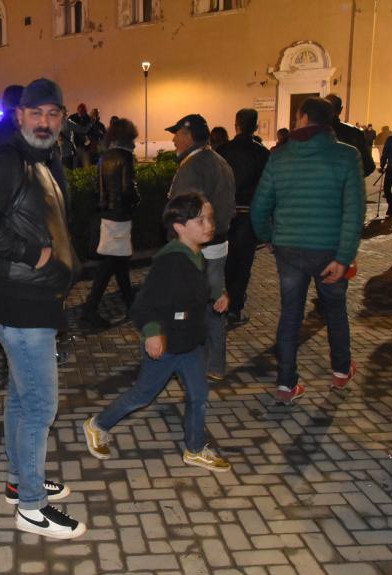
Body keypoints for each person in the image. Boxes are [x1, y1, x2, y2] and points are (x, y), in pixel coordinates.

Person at [0, 78, 85, 539]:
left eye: (54, 114)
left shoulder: (43, 160)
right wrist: (32, 255)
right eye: (36, 113)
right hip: (21, 301)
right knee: (40, 405)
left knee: (21, 397)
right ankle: (32, 508)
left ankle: (21, 483)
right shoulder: (7, 161)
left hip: (34, 298)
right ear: (20, 117)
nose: (45, 121)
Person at [82, 193, 231, 472]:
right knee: (142, 395)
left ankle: (195, 449)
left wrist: (217, 293)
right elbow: (144, 304)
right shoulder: (171, 261)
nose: (208, 224)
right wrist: (152, 332)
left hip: (189, 341)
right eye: (200, 220)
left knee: (198, 395)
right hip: (165, 343)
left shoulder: (193, 254)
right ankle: (97, 424)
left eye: (209, 218)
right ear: (179, 226)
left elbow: (195, 287)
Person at [251, 97, 365, 405]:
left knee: (290, 315)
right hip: (329, 251)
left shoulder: (280, 156)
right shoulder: (346, 156)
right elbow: (354, 211)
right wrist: (344, 257)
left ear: (302, 118)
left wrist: (268, 238)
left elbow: (259, 206)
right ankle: (341, 371)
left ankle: (286, 384)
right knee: (334, 311)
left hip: (288, 249)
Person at [166, 114, 235, 382]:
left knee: (187, 310)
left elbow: (182, 213)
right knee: (215, 308)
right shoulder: (221, 162)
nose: (173, 139)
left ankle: (188, 369)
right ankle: (216, 365)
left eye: (177, 134)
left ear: (189, 135)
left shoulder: (192, 167)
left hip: (196, 251)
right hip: (218, 247)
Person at [81, 118, 140, 329]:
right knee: (110, 265)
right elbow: (128, 190)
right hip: (121, 216)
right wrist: (136, 202)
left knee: (119, 263)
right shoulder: (126, 157)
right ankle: (90, 309)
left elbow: (98, 189)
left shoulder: (104, 157)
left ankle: (131, 303)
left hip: (107, 215)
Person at [216, 109, 270, 326]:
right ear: (255, 126)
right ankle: (235, 308)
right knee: (243, 264)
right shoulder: (262, 153)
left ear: (236, 123)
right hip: (249, 213)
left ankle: (224, 301)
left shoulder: (222, 151)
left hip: (226, 213)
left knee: (226, 261)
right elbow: (267, 189)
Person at [324, 94, 376, 177]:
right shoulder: (355, 133)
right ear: (340, 110)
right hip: (346, 187)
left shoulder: (311, 133)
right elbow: (368, 166)